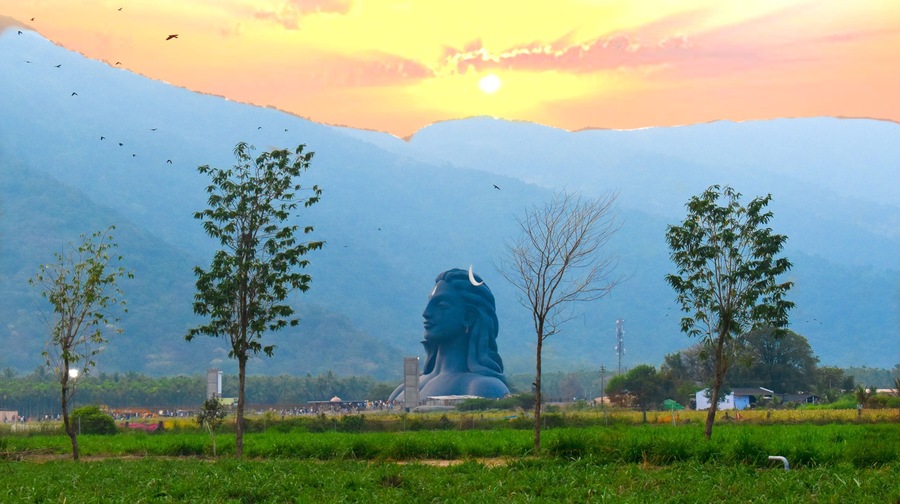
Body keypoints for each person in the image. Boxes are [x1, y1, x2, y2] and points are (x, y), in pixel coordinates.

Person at [389, 268, 510, 402]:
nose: (426, 313)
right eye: (429, 303)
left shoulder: (481, 387)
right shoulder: (404, 389)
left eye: (440, 305)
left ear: (468, 316)